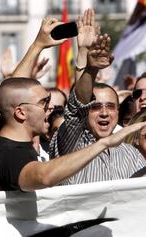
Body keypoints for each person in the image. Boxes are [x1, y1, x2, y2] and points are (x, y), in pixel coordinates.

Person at [50, 9, 146, 184]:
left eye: (110, 106)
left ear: (118, 111)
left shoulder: (132, 154)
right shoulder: (72, 146)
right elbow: (76, 108)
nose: (104, 112)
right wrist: (90, 67)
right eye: (95, 106)